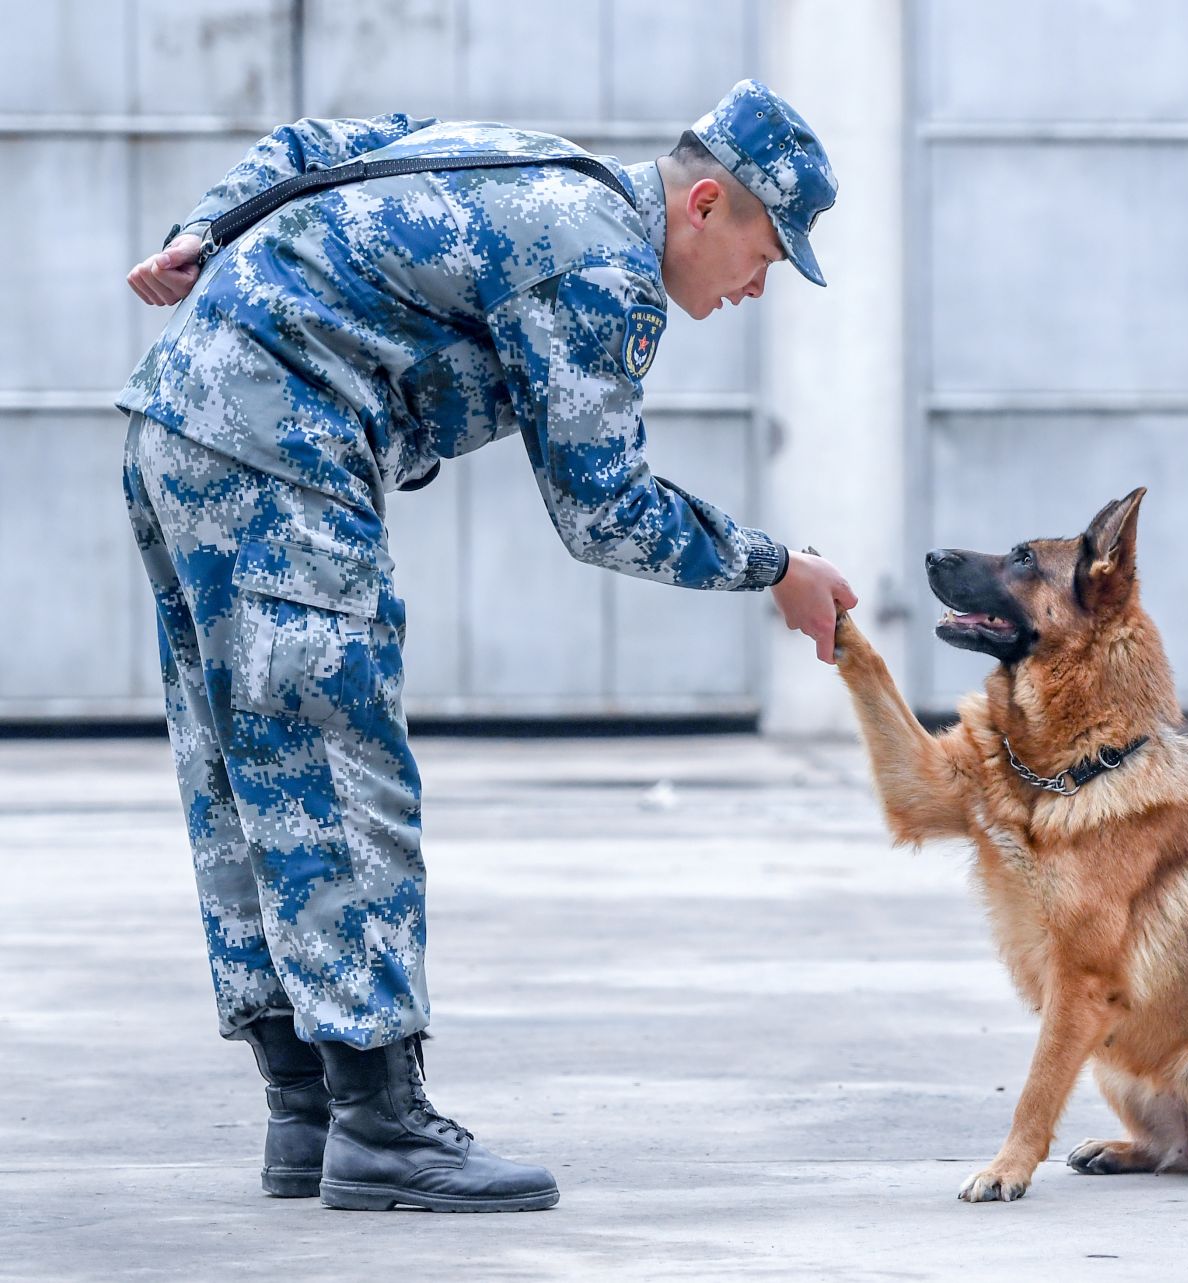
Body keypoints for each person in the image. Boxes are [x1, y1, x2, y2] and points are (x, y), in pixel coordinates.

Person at [117, 79, 856, 1213]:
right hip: (280, 442)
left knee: (243, 768)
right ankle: (381, 1125)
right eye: (767, 252)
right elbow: (602, 508)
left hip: (179, 418)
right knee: (339, 768)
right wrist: (777, 569)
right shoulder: (607, 269)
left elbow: (324, 139)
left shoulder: (529, 158)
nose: (762, 286)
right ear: (705, 203)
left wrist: (202, 229)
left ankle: (310, 1108)